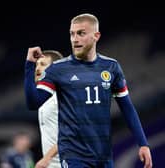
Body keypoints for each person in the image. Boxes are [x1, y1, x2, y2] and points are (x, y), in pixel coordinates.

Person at [24, 13, 153, 168]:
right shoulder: (58, 69)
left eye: (81, 33)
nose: (75, 39)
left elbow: (127, 108)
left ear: (96, 36)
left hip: (103, 155)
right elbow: (33, 103)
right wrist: (29, 64)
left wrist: (143, 143)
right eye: (72, 34)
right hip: (74, 156)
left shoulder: (111, 67)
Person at [25, 49, 63, 168]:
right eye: (37, 65)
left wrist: (47, 158)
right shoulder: (45, 98)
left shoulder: (64, 95)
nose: (37, 68)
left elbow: (71, 134)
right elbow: (31, 100)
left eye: (42, 65)